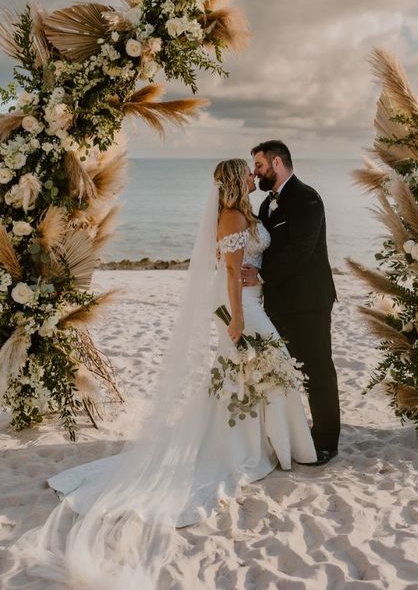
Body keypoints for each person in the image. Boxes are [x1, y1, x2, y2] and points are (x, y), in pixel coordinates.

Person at [18, 158, 316, 589]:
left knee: (253, 374)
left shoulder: (244, 213)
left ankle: (261, 442)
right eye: (247, 173)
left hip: (253, 302)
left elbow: (247, 265)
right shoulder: (231, 215)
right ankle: (255, 446)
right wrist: (235, 319)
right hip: (240, 308)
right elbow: (232, 272)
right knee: (262, 369)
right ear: (235, 181)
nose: (254, 176)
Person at [242, 141, 340, 466]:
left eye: (259, 165)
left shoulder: (307, 198)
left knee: (317, 370)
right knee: (284, 369)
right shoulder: (267, 204)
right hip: (279, 304)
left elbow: (301, 250)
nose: (256, 172)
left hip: (309, 300)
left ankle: (326, 441)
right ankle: (292, 433)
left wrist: (262, 277)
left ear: (278, 162)